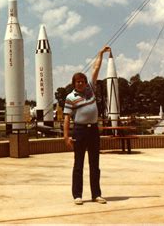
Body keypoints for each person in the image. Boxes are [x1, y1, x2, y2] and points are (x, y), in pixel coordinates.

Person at [63, 45, 111, 205]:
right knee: (78, 164)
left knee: (95, 164)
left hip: (93, 131)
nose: (81, 84)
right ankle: (77, 195)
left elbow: (96, 68)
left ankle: (96, 194)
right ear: (74, 84)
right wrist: (66, 136)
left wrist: (100, 54)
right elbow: (67, 118)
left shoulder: (91, 89)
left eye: (83, 81)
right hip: (79, 131)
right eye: (78, 82)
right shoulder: (70, 97)